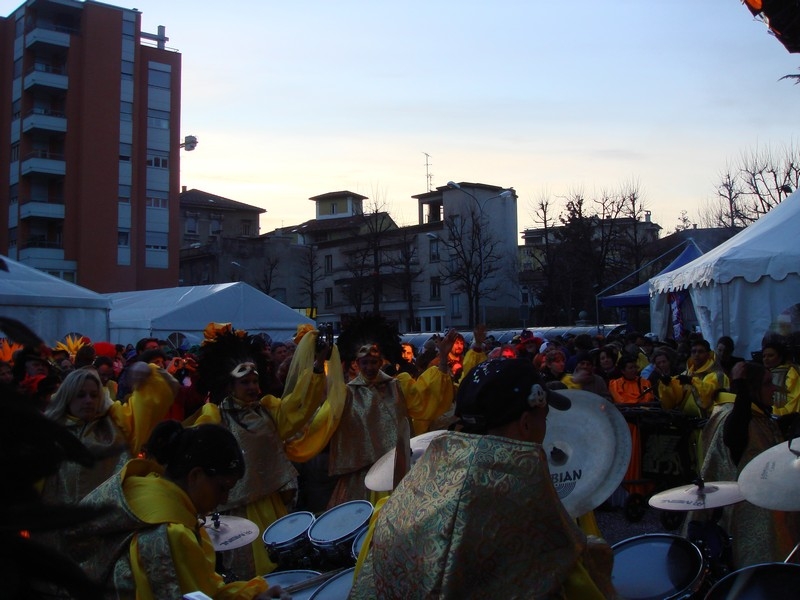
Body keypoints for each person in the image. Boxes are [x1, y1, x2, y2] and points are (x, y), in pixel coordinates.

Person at [349, 358, 614, 599]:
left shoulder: (425, 472)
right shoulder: (522, 489)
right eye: (544, 418)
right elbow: (572, 581)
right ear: (525, 423)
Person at [74, 422, 289, 600]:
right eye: (222, 488)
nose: (224, 499)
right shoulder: (172, 533)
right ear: (195, 476)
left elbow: (204, 587)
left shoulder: (148, 488)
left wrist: (253, 596)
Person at [189, 322, 329, 579]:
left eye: (255, 381)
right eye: (245, 383)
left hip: (271, 500)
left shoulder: (267, 408)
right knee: (250, 571)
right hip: (239, 508)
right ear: (230, 386)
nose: (253, 387)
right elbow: (196, 447)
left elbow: (297, 407)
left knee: (279, 563)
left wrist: (317, 368)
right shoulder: (217, 415)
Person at [286, 328, 459, 508]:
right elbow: (321, 422)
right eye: (365, 363)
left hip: (396, 471)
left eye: (373, 362)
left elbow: (426, 399)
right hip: (361, 477)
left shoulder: (398, 386)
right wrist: (297, 440)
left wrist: (444, 357)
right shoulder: (346, 394)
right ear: (357, 364)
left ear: (381, 362)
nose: (369, 367)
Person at [696, 361, 800, 569]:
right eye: (767, 384)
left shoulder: (760, 417)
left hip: (773, 514)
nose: (774, 389)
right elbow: (735, 435)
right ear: (753, 388)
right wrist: (740, 385)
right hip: (749, 520)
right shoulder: (736, 417)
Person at [41, 364, 176, 506]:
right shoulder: (47, 432)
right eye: (81, 395)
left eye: (94, 395)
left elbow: (151, 404)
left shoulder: (117, 424)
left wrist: (149, 375)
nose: (88, 400)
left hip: (109, 523)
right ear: (67, 397)